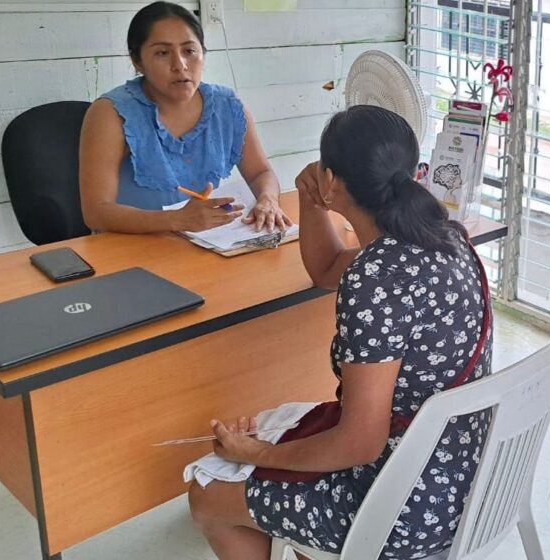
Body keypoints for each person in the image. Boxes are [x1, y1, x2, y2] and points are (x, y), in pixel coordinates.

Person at [187, 105, 494, 560]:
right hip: (465, 476)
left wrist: (256, 454)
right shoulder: (446, 236)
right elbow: (329, 268)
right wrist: (313, 203)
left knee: (207, 492)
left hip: (400, 508)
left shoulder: (375, 279)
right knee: (291, 432)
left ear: (331, 180)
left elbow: (359, 443)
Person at [79, 1, 291, 233]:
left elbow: (261, 173)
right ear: (137, 61)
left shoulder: (226, 105)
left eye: (189, 51)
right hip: (128, 247)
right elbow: (96, 212)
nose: (180, 65)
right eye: (162, 53)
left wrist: (268, 200)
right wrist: (175, 220)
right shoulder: (111, 113)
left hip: (206, 242)